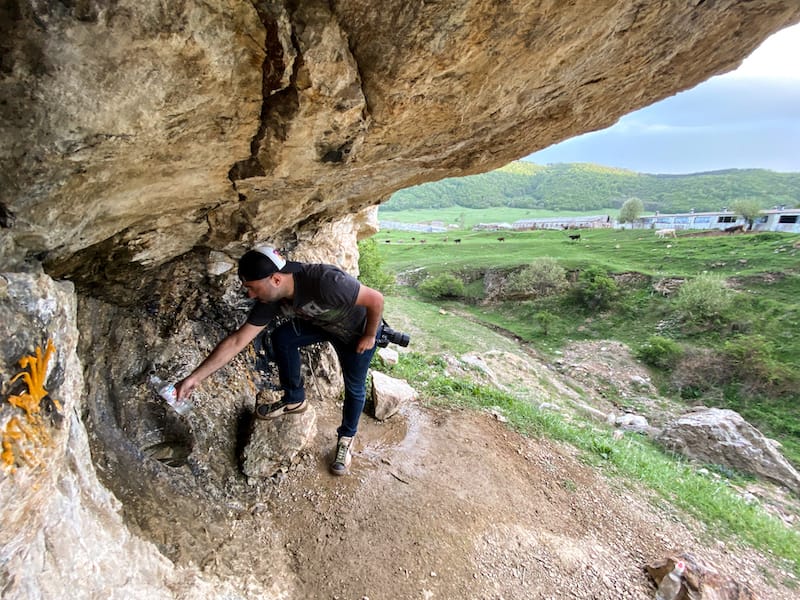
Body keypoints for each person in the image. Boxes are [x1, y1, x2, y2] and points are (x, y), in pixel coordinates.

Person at [175, 246, 384, 476]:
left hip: (356, 332)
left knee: (354, 387)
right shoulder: (271, 299)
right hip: (323, 326)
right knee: (282, 337)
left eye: (252, 288)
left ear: (275, 279)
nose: (250, 295)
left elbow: (375, 299)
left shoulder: (326, 281)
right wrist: (194, 377)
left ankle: (346, 438)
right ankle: (294, 399)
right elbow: (237, 341)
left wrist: (370, 335)